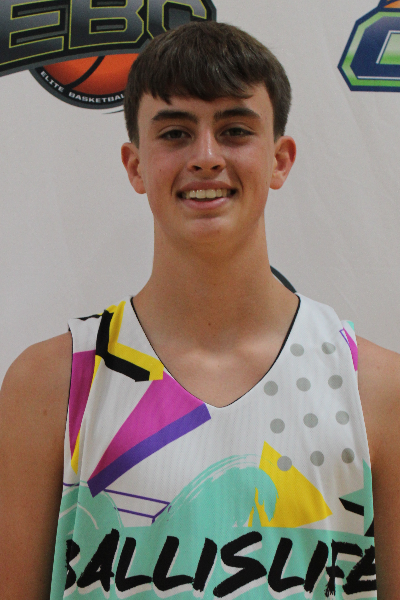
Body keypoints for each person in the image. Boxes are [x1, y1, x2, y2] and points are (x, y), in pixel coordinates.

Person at [0, 20, 399, 600]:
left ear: (280, 159)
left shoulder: (375, 390)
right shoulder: (52, 383)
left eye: (234, 130)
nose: (206, 157)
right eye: (175, 133)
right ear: (135, 165)